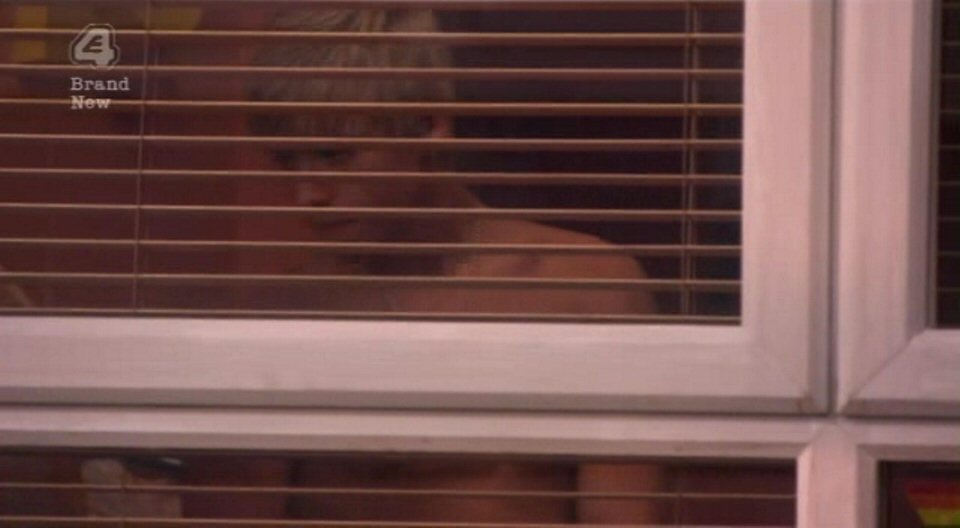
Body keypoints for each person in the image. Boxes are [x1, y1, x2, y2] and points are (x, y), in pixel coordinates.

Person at [175, 7, 664, 524]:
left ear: (428, 125)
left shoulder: (581, 288)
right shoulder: (285, 312)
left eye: (333, 155)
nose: (307, 194)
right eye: (287, 160)